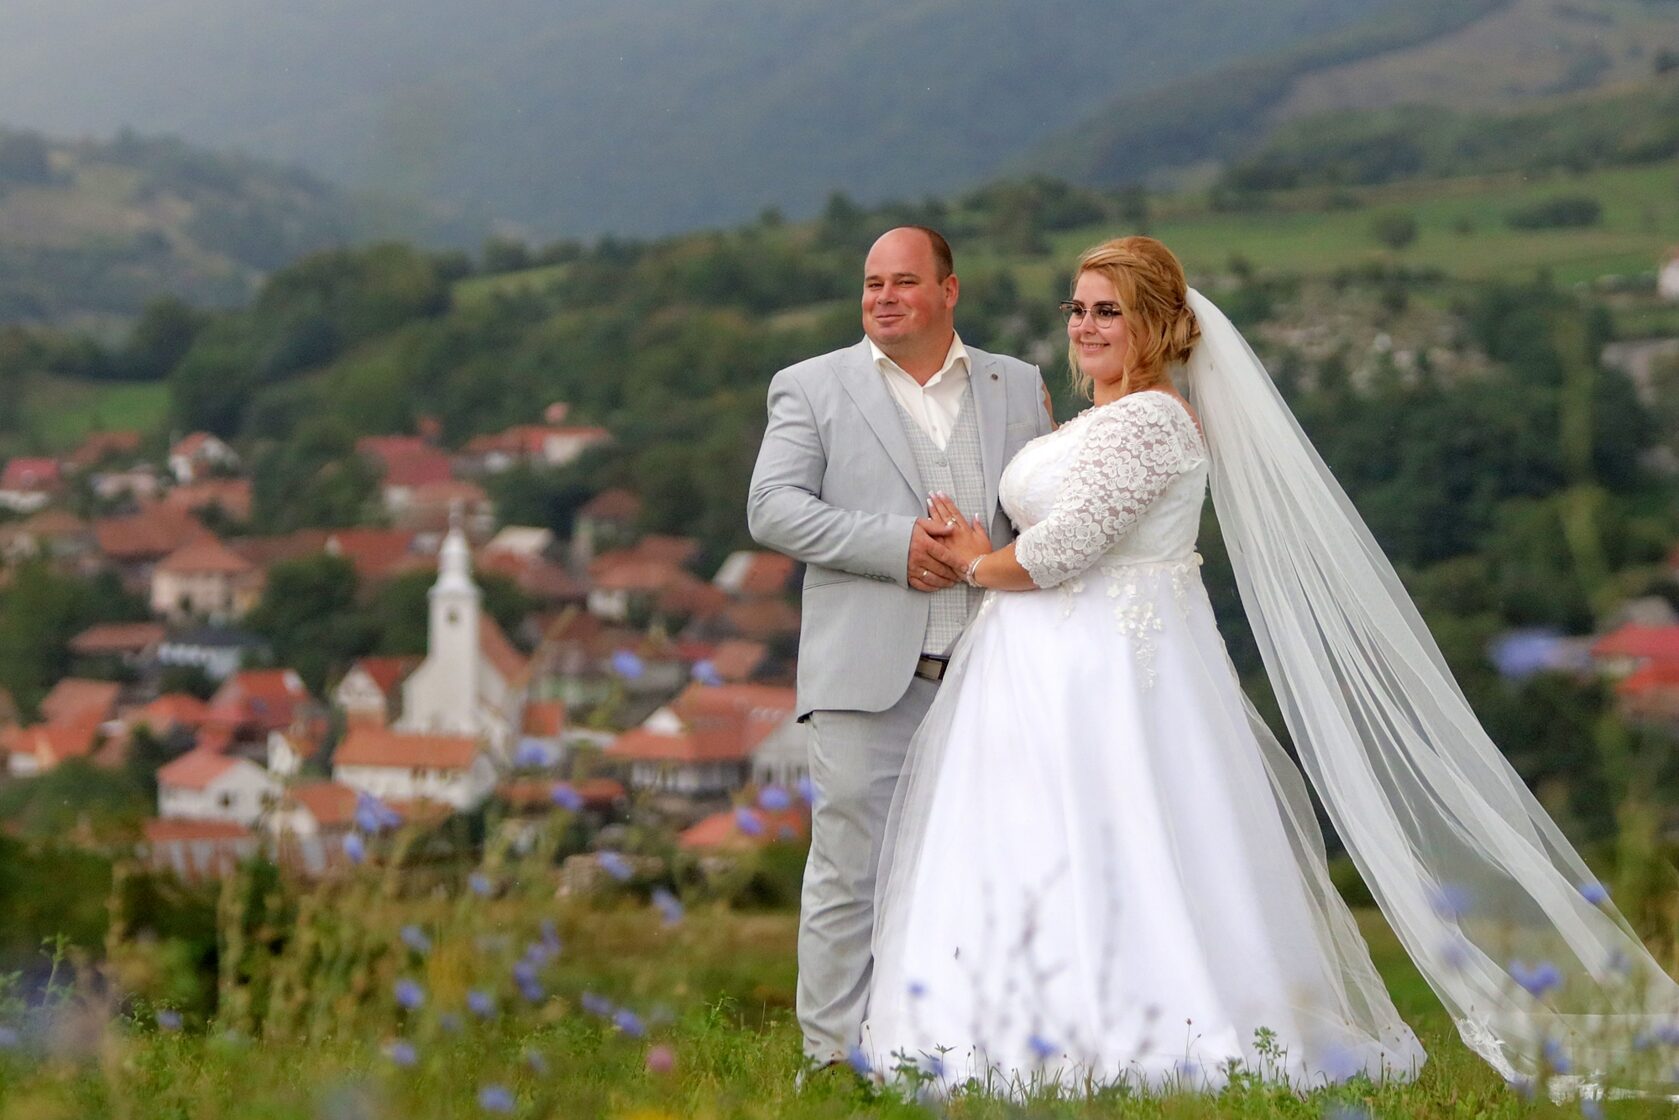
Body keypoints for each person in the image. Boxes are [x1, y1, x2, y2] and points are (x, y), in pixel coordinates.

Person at [861, 236, 1679, 1095]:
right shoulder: (1091, 422)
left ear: (1156, 325)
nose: (1087, 326)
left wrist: (974, 561)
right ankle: (1006, 1024)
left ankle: (1131, 1030)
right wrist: (988, 552)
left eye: (1110, 311)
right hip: (1039, 668)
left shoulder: (1151, 421)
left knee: (1123, 835)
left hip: (1111, 672)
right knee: (1033, 839)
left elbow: (1061, 550)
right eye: (1079, 309)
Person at [746, 226, 1055, 1072]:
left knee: (988, 868)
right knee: (849, 876)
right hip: (867, 676)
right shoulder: (810, 385)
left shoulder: (1015, 383)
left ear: (948, 291)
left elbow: (1047, 512)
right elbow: (771, 507)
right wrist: (892, 544)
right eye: (872, 283)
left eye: (903, 282)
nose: (882, 297)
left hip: (995, 674)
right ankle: (832, 1063)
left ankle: (965, 1055)